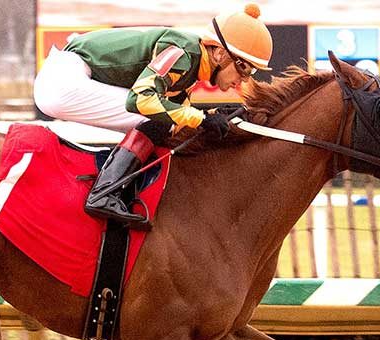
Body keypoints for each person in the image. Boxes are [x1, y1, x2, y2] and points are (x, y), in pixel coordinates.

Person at [33, 4, 273, 224]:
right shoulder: (184, 52)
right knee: (156, 117)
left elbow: (180, 120)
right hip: (61, 83)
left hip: (69, 77)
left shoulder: (191, 65)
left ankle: (115, 190)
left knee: (166, 121)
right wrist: (202, 117)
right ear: (219, 53)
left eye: (251, 72)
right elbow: (140, 99)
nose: (244, 79)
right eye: (244, 67)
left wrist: (211, 115)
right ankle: (103, 193)